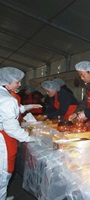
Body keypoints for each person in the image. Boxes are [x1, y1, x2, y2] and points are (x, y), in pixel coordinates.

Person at [0, 67, 38, 200]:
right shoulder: (7, 99)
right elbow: (11, 128)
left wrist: (25, 108)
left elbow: (8, 112)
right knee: (3, 173)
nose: (20, 84)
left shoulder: (3, 94)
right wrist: (28, 137)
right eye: (17, 82)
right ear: (8, 82)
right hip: (3, 139)